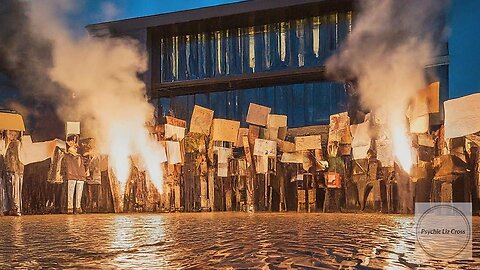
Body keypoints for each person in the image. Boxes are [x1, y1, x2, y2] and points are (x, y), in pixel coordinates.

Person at [1, 130, 25, 216]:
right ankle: (7, 208)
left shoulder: (17, 143)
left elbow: (19, 156)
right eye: (8, 132)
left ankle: (16, 208)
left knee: (15, 190)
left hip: (15, 169)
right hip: (6, 169)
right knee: (6, 189)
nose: (10, 135)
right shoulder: (5, 142)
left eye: (13, 133)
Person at [61, 134, 86, 214]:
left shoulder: (79, 152)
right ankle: (70, 208)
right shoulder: (68, 153)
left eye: (75, 140)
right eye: (72, 140)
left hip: (80, 174)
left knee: (79, 191)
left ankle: (78, 207)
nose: (74, 142)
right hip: (72, 173)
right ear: (68, 142)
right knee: (71, 192)